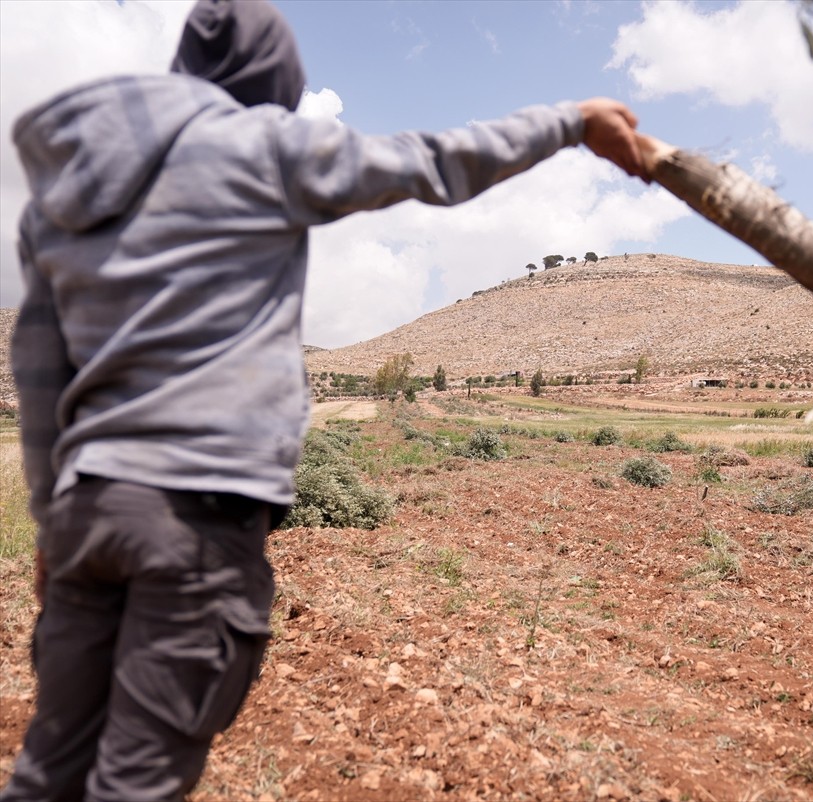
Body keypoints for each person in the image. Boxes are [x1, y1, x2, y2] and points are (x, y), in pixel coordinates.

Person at [2, 1, 648, 800]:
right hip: (194, 521)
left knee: (46, 773)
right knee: (137, 783)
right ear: (264, 78)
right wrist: (572, 120)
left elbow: (38, 366)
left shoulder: (60, 194)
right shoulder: (261, 149)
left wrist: (51, 518)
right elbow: (434, 160)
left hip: (84, 517)